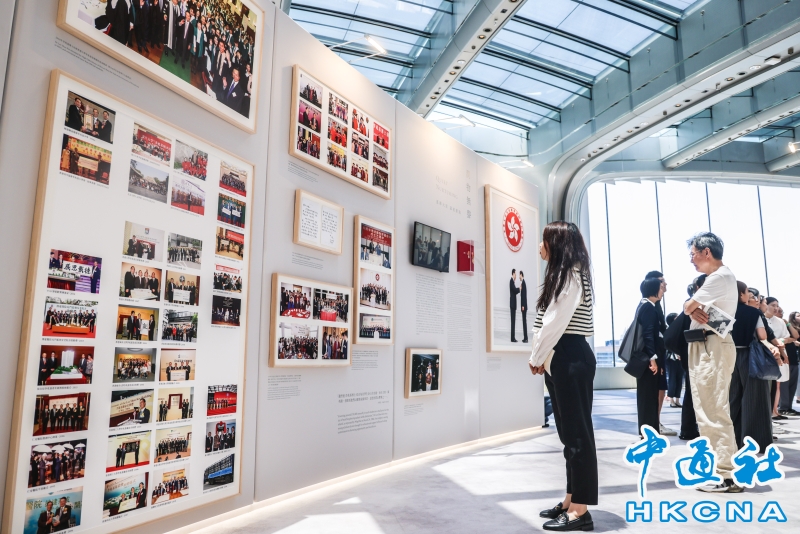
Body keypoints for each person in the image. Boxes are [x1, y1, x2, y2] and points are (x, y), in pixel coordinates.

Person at [529, 221, 597, 532]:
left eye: (543, 241)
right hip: (564, 356)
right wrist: (542, 356)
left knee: (577, 436)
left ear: (556, 244)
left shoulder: (569, 274)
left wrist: (537, 356)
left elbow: (554, 322)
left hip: (570, 355)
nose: (539, 247)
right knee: (569, 436)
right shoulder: (565, 273)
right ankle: (572, 499)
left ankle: (580, 510)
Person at [683, 232, 741, 492]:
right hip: (709, 343)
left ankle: (724, 475)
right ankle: (724, 472)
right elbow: (690, 306)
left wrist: (691, 307)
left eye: (693, 254)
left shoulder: (718, 277)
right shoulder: (720, 278)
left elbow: (688, 306)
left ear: (706, 252)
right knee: (710, 409)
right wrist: (691, 307)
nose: (691, 260)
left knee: (713, 411)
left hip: (711, 345)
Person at [730, 280, 777, 453]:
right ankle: (755, 441)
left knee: (732, 399)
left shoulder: (723, 311)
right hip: (749, 356)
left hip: (728, 357)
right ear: (742, 294)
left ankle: (733, 440)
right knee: (755, 399)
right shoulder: (753, 312)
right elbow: (762, 335)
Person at [634, 278, 663, 435]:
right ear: (654, 289)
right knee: (648, 397)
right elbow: (648, 334)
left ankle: (649, 431)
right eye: (660, 288)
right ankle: (649, 432)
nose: (662, 291)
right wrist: (653, 358)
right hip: (648, 359)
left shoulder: (643, 305)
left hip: (645, 358)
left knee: (647, 396)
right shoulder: (648, 308)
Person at [779, 312, 800, 415]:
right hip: (784, 358)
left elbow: (796, 336)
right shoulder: (774, 324)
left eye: (781, 311)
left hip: (793, 359)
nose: (780, 313)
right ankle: (783, 407)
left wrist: (788, 324)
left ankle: (788, 407)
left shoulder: (788, 325)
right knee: (784, 385)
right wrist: (789, 340)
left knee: (792, 385)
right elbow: (780, 340)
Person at [509, 269, 520, 342]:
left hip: (513, 305)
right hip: (512, 305)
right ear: (513, 274)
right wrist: (519, 288)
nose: (516, 276)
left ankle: (513, 338)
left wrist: (518, 289)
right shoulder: (511, 281)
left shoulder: (512, 282)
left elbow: (515, 291)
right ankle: (512, 338)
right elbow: (514, 290)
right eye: (515, 274)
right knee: (513, 322)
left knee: (513, 322)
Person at [520, 271, 529, 343]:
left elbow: (523, 295)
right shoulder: (523, 283)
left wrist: (523, 305)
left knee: (524, 322)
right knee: (524, 322)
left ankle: (525, 338)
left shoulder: (523, 283)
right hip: (524, 306)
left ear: (521, 275)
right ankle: (525, 338)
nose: (519, 277)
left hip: (524, 306)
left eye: (519, 275)